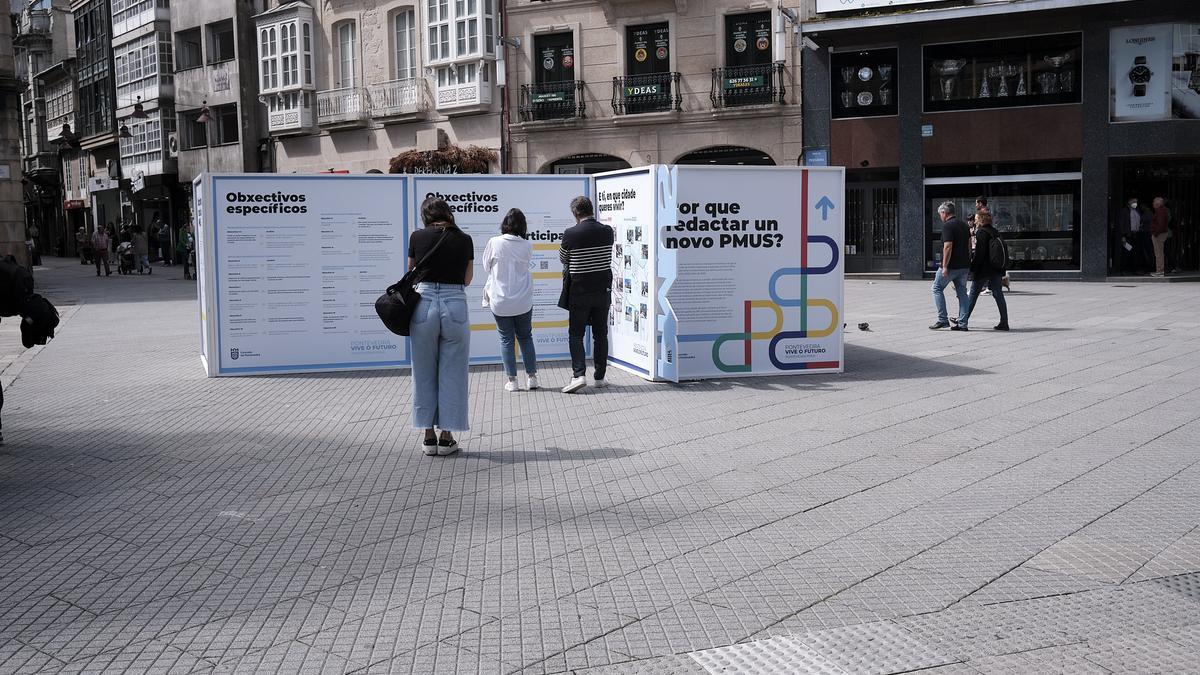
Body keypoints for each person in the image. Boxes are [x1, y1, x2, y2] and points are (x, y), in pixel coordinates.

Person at [409, 197, 474, 456]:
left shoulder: (417, 237)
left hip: (423, 303)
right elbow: (468, 279)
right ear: (448, 213)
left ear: (426, 215)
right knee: (454, 371)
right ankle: (447, 437)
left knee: (423, 370)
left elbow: (410, 273)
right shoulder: (464, 239)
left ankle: (427, 436)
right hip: (455, 303)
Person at [559, 195, 614, 393]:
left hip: (579, 290)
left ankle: (579, 375)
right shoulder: (608, 231)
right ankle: (599, 377)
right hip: (602, 289)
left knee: (576, 333)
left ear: (575, 213)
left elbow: (563, 258)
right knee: (601, 334)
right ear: (592, 210)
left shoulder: (570, 233)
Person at [482, 208, 538, 392]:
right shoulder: (527, 245)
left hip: (500, 300)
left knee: (506, 339)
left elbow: (485, 266)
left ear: (505, 223)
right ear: (523, 226)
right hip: (523, 299)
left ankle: (512, 381)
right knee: (525, 337)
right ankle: (532, 378)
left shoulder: (494, 242)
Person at [964, 211, 1009, 331]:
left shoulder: (981, 233)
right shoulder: (995, 231)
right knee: (998, 294)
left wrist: (973, 268)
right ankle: (1004, 322)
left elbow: (980, 254)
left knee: (973, 294)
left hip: (984, 269)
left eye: (977, 218)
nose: (975, 220)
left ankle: (962, 321)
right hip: (996, 268)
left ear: (981, 220)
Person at [930, 201, 970, 331]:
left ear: (944, 213)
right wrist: (968, 261)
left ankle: (942, 320)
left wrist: (945, 266)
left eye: (940, 214)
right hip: (964, 265)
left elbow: (948, 247)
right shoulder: (964, 225)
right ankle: (963, 323)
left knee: (936, 288)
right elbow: (969, 245)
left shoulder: (947, 226)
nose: (940, 217)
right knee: (962, 293)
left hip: (951, 266)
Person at [976, 196, 1010, 291]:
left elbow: (981, 252)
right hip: (995, 268)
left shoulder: (984, 215)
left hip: (986, 246)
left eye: (976, 203)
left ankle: (985, 286)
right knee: (998, 292)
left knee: (974, 291)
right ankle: (989, 286)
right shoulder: (994, 230)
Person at [1150, 196, 1170, 277]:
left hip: (1159, 234)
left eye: (1154, 202)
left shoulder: (1160, 211)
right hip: (1160, 234)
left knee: (1158, 253)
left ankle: (1160, 271)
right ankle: (1159, 270)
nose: (1153, 204)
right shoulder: (1162, 210)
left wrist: (1155, 233)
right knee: (1159, 253)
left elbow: (1161, 225)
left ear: (1157, 203)